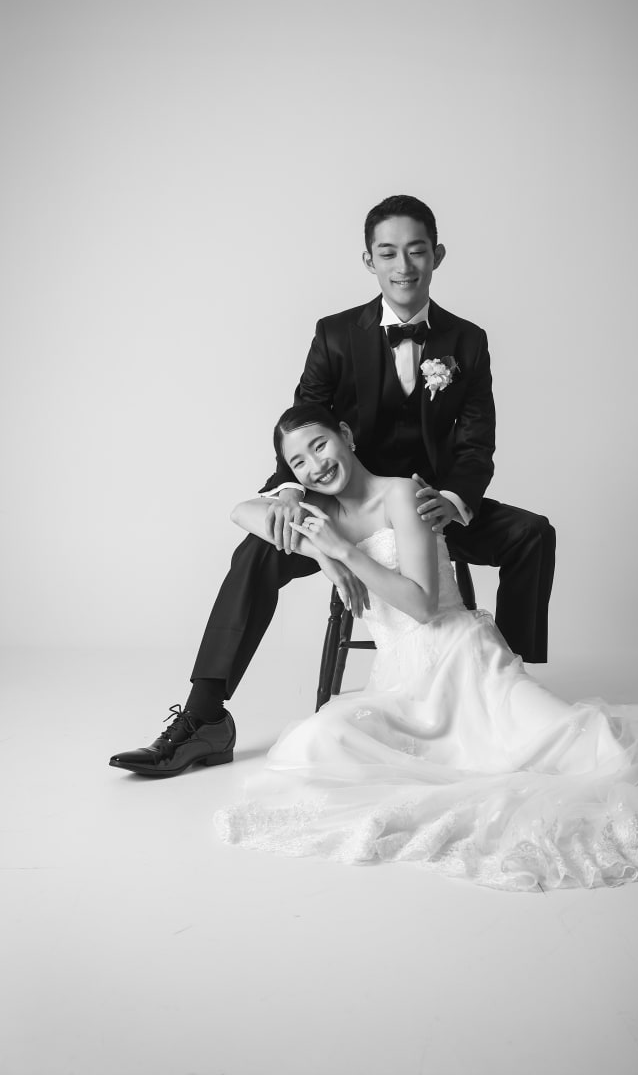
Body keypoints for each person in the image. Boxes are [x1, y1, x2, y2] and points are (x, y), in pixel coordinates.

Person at [214, 407, 638, 893]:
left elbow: (422, 605)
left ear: (346, 434)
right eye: (298, 462)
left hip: (462, 660)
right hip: (401, 681)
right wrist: (317, 549)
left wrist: (344, 551)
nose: (316, 465)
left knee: (605, 758)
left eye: (320, 445)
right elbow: (240, 511)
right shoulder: (320, 513)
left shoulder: (402, 494)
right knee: (318, 741)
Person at [109, 195, 555, 777]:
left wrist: (452, 501)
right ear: (369, 260)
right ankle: (204, 717)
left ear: (437, 255)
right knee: (257, 551)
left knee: (532, 535)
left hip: (426, 509)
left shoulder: (467, 341)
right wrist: (296, 500)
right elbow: (302, 426)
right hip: (348, 506)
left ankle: (506, 688)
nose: (403, 266)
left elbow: (476, 444)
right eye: (387, 253)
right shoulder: (336, 334)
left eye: (416, 251)